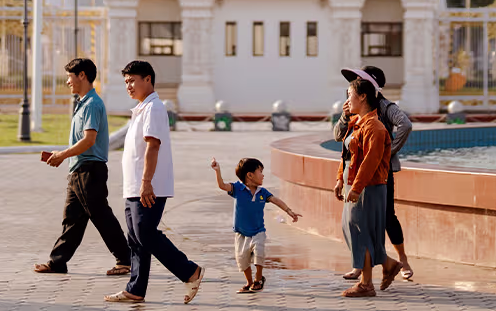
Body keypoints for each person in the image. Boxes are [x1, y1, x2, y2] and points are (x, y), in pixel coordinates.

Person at [106, 60, 204, 304]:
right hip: (134, 186)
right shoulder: (141, 108)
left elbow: (153, 145)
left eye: (132, 80)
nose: (128, 86)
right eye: (126, 81)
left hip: (149, 186)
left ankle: (190, 271)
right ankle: (135, 289)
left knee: (146, 234)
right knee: (136, 239)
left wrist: (146, 181)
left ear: (147, 79)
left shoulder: (154, 108)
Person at [35, 57, 132, 278]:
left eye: (70, 77)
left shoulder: (92, 104)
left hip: (90, 170)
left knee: (101, 216)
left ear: (82, 76)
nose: (68, 82)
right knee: (72, 218)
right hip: (79, 169)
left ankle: (125, 259)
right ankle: (58, 262)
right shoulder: (82, 104)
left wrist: (62, 155)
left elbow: (89, 140)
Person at [333, 65, 414, 282]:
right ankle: (363, 268)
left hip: (379, 175)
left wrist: (388, 152)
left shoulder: (384, 109)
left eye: (358, 83)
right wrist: (344, 115)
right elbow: (340, 139)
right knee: (356, 223)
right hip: (355, 174)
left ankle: (399, 261)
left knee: (385, 218)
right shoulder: (355, 114)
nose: (352, 89)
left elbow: (405, 125)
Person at [210, 156, 300, 294]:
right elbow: (222, 186)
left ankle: (258, 279)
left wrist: (289, 211)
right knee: (242, 259)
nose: (263, 175)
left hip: (258, 231)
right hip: (241, 233)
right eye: (260, 171)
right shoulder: (237, 189)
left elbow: (275, 200)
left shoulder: (262, 192)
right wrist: (217, 171)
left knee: (259, 253)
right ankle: (249, 282)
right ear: (250, 175)